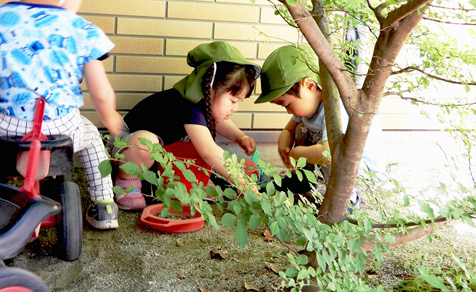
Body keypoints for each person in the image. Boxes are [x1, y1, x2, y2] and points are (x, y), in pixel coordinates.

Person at [0, 0, 123, 229]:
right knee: (92, 139)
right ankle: (104, 206)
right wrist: (110, 116)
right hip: (61, 130)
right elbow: (100, 93)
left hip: (6, 129)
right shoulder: (81, 30)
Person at [111, 41, 261, 210]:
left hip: (159, 154)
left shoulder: (202, 103)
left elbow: (220, 121)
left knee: (197, 139)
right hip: (125, 146)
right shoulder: (187, 105)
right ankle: (127, 181)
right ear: (209, 87)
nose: (235, 108)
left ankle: (193, 183)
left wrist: (240, 136)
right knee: (147, 141)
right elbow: (209, 153)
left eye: (239, 101)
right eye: (233, 100)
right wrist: (244, 183)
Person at [255, 45, 387, 210]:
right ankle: (304, 181)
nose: (288, 110)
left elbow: (328, 153)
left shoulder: (337, 107)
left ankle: (347, 201)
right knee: (300, 129)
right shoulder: (310, 105)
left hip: (363, 178)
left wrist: (296, 153)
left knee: (328, 149)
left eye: (287, 104)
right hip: (336, 160)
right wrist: (284, 146)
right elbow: (289, 130)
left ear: (309, 85)